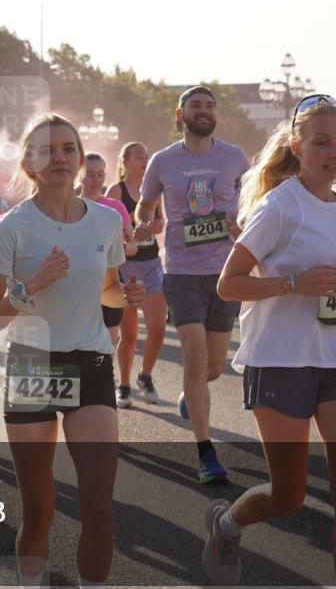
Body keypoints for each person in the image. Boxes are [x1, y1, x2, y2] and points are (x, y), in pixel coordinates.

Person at [207, 94, 336, 589]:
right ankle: (228, 521)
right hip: (280, 360)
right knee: (289, 497)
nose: (335, 153)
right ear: (296, 147)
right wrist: (292, 285)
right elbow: (229, 284)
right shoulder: (280, 204)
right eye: (322, 143)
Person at [0, 114, 144, 589]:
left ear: (79, 156)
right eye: (48, 150)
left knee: (97, 505)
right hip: (33, 364)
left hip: (89, 363)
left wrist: (123, 295)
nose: (60, 158)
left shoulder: (108, 220)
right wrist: (30, 287)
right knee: (39, 511)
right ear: (29, 162)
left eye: (69, 148)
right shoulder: (13, 228)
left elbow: (108, 293)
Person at [133, 86, 249, 484]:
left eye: (209, 105)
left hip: (225, 272)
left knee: (213, 366)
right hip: (181, 272)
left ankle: (191, 393)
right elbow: (144, 206)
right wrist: (149, 221)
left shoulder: (235, 157)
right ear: (180, 114)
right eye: (196, 105)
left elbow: (252, 205)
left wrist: (244, 224)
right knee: (195, 357)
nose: (204, 110)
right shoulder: (163, 161)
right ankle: (206, 453)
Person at [108, 142, 166, 406]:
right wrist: (129, 230)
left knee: (157, 327)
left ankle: (145, 375)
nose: (144, 160)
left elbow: (161, 221)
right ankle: (124, 384)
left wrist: (155, 225)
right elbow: (106, 228)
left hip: (152, 263)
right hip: (126, 266)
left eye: (147, 156)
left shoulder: (152, 190)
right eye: (139, 157)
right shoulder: (116, 191)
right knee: (129, 335)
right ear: (125, 161)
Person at [79, 153, 139, 406]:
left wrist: (117, 247)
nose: (95, 180)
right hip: (78, 286)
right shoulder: (68, 205)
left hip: (110, 282)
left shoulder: (115, 208)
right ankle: (82, 387)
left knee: (109, 340)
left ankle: (103, 383)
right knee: (80, 341)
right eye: (90, 174)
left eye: (100, 175)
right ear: (80, 175)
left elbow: (132, 246)